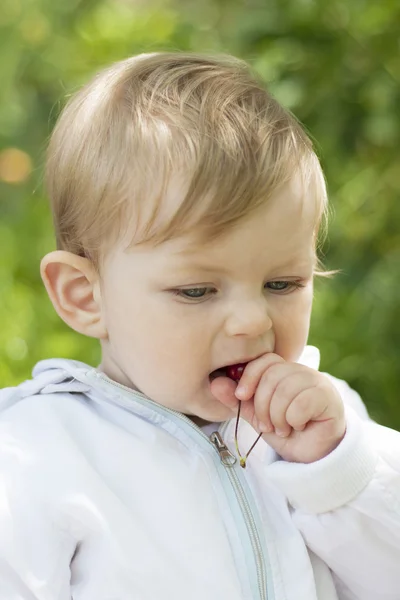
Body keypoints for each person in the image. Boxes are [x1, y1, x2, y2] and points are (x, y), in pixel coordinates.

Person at [0, 52, 399, 600]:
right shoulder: (33, 457)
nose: (253, 320)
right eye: (196, 290)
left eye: (282, 284)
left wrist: (337, 472)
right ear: (85, 295)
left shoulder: (327, 427)